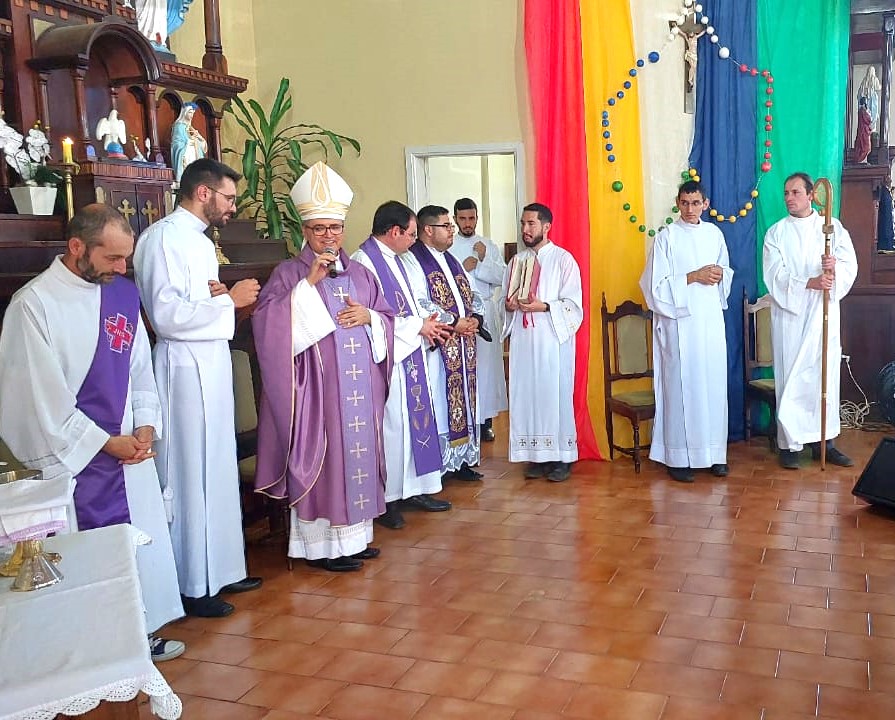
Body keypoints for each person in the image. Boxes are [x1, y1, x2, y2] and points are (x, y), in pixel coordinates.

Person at [0, 204, 184, 661]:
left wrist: (145, 425)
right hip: (77, 459)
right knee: (91, 553)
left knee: (138, 541)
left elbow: (140, 367)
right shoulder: (34, 306)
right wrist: (105, 443)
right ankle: (99, 648)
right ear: (77, 247)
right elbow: (38, 400)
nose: (122, 270)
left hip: (129, 450)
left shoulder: (120, 294)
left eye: (127, 259)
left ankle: (141, 632)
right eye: (112, 259)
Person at [252, 161, 395, 571]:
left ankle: (355, 539)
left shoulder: (363, 275)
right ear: (305, 231)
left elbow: (386, 316)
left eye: (335, 228)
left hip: (359, 391)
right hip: (316, 394)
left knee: (360, 456)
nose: (328, 236)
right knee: (328, 460)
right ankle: (322, 547)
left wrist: (370, 318)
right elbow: (269, 327)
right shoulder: (288, 274)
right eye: (319, 229)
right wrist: (308, 287)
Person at [134, 158, 262, 617]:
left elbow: (201, 301)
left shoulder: (200, 241)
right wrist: (229, 299)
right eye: (228, 198)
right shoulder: (163, 239)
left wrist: (220, 299)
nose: (232, 207)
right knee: (189, 472)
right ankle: (191, 581)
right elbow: (165, 315)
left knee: (217, 467)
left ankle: (222, 568)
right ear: (203, 193)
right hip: (182, 369)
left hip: (209, 362)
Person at [352, 201, 453, 529]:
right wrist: (417, 327)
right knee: (393, 429)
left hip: (411, 351)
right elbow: (371, 319)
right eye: (410, 234)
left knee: (413, 427)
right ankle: (390, 499)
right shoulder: (363, 263)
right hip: (389, 361)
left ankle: (416, 489)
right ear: (394, 232)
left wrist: (425, 322)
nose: (413, 240)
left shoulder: (396, 259)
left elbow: (405, 307)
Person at [639, 180, 733, 482]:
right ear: (677, 204)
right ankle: (678, 456)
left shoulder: (714, 234)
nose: (691, 209)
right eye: (685, 203)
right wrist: (692, 276)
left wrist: (720, 276)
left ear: (705, 204)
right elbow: (653, 286)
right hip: (679, 324)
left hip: (709, 323)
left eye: (696, 203)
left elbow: (725, 272)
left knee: (712, 386)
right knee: (681, 388)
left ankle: (713, 454)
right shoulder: (666, 238)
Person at [763, 172, 858, 469]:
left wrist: (834, 268)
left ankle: (824, 441)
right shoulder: (776, 233)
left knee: (822, 375)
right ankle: (789, 445)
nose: (789, 198)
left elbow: (848, 266)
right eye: (786, 193)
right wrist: (809, 283)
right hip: (791, 316)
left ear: (810, 195)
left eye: (795, 192)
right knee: (791, 374)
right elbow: (774, 275)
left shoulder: (831, 228)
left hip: (821, 313)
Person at [503, 203, 582, 482]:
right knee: (528, 395)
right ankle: (537, 456)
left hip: (552, 340)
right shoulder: (515, 262)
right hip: (524, 342)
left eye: (531, 224)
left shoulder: (563, 260)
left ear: (546, 227)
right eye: (523, 223)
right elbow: (506, 303)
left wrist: (544, 306)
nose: (525, 229)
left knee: (554, 394)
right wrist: (510, 307)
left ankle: (561, 456)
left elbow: (574, 305)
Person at [409, 205, 481, 481]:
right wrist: (454, 322)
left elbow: (470, 292)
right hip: (439, 344)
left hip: (463, 343)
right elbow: (420, 302)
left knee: (462, 396)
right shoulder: (414, 261)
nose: (452, 230)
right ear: (429, 230)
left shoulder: (449, 259)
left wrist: (475, 318)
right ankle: (441, 464)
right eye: (446, 226)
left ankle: (460, 461)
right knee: (441, 398)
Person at [451, 198, 508, 442]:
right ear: (455, 219)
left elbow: (503, 277)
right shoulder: (449, 246)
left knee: (486, 370)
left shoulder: (487, 245)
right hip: (460, 314)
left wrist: (484, 261)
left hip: (485, 309)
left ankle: (485, 422)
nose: (467, 223)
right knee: (464, 368)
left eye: (471, 218)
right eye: (462, 218)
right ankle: (465, 421)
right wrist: (465, 268)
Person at [170, 103, 207, 183]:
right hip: (185, 154)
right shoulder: (178, 126)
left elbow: (202, 145)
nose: (192, 115)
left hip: (194, 154)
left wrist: (199, 139)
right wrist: (190, 142)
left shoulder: (191, 128)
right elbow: (177, 143)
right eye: (190, 112)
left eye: (193, 113)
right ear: (185, 112)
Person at [854, 96, 872, 165]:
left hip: (865, 131)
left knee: (867, 147)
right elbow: (868, 120)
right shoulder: (862, 110)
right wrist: (869, 114)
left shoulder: (862, 110)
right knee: (866, 147)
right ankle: (861, 160)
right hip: (864, 131)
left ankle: (864, 160)